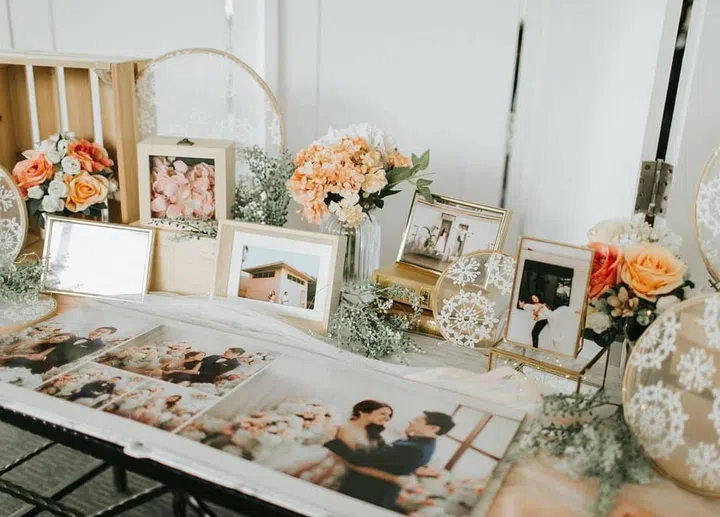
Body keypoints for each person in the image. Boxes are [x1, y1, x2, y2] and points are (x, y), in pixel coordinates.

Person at [324, 411, 455, 511]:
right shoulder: (421, 442)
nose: (411, 421)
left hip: (370, 492)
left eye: (417, 420)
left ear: (434, 428)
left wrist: (332, 440)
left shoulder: (414, 449)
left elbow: (359, 460)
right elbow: (383, 455)